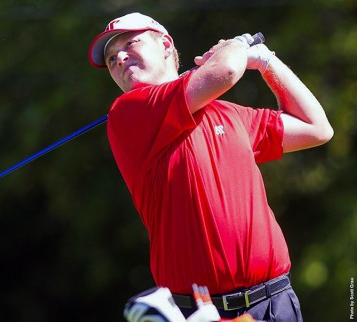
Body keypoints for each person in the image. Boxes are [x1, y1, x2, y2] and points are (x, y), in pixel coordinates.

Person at [88, 12, 333, 321]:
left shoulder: (231, 114)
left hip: (274, 302)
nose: (119, 58)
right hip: (200, 312)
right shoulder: (128, 112)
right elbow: (228, 69)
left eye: (129, 44)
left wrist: (267, 61)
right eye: (111, 59)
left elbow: (317, 128)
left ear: (165, 45)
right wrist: (238, 45)